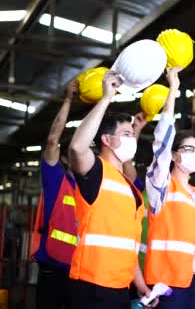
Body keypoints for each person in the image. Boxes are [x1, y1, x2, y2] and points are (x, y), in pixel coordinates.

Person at [67, 71, 155, 308]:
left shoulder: (131, 189)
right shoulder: (96, 172)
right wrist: (106, 99)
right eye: (126, 135)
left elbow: (128, 246)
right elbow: (77, 147)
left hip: (120, 287)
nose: (132, 139)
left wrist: (140, 284)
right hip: (91, 286)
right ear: (106, 140)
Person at [144, 67, 195, 309]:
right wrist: (173, 91)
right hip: (168, 285)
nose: (194, 154)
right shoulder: (161, 186)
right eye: (188, 149)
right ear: (173, 154)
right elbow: (161, 142)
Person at [31, 79, 78, 309]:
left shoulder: (92, 186)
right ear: (65, 159)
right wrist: (68, 99)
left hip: (80, 273)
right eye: (75, 153)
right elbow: (52, 141)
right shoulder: (56, 179)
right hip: (52, 269)